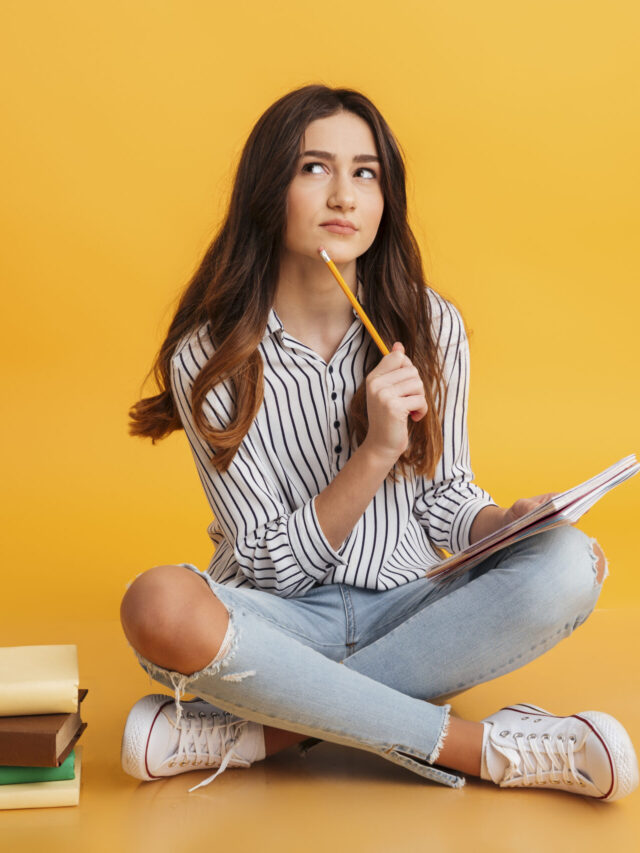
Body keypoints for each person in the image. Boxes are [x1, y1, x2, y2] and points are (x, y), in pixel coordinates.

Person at [120, 84, 638, 800]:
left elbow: (446, 500)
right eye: (315, 168)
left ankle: (269, 729)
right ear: (270, 189)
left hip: (412, 606)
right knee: (157, 604)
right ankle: (479, 747)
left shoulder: (431, 327)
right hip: (279, 623)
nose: (344, 196)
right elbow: (271, 566)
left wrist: (504, 526)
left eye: (365, 173)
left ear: (385, 197)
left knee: (570, 564)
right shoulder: (209, 358)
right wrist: (373, 455)